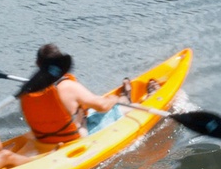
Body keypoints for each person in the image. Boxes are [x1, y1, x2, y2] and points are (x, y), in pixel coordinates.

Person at [19, 44, 152, 144]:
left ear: (37, 64)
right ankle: (134, 100)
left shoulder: (26, 91)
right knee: (129, 108)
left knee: (92, 108)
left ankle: (125, 98)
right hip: (77, 138)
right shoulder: (68, 87)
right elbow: (102, 106)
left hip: (46, 142)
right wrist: (113, 98)